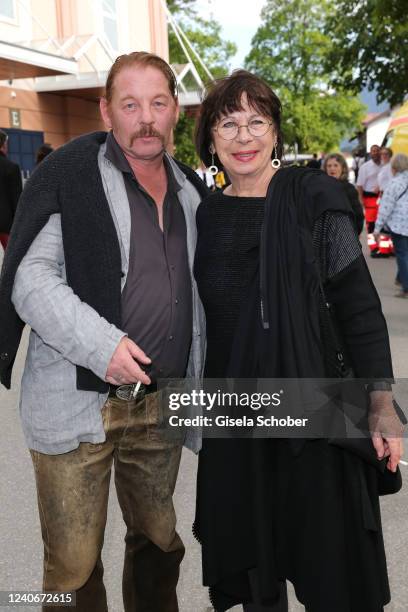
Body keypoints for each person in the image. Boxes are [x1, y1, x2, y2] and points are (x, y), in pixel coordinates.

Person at [0, 51, 208, 612]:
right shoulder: (67, 175)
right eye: (130, 104)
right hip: (77, 405)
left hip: (160, 404)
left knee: (159, 544)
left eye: (158, 103)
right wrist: (104, 346)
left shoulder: (191, 191)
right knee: (72, 565)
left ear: (174, 112)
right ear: (106, 111)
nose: (145, 118)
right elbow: (29, 277)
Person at [192, 70, 404, 612]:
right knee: (259, 577)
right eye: (229, 123)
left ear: (276, 133)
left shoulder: (314, 201)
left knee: (330, 574)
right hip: (238, 422)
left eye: (257, 121)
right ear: (211, 138)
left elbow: (359, 308)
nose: (244, 136)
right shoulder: (207, 214)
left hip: (317, 418)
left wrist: (380, 404)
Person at [374, 153, 408, 298]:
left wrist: (377, 228)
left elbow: (385, 207)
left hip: (399, 225)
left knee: (402, 254)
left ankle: (406, 288)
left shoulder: (393, 184)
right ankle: (401, 279)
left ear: (394, 168)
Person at [323, 153, 364, 234]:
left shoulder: (349, 189)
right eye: (329, 166)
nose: (332, 169)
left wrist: (355, 235)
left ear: (343, 168)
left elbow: (358, 215)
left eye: (336, 165)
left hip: (345, 235)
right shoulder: (321, 188)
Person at [0, 129, 23, 250]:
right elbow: (17, 199)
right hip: (6, 224)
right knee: (11, 260)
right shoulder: (12, 167)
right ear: (4, 144)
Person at [356, 144, 382, 234]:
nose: (375, 153)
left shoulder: (385, 165)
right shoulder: (365, 167)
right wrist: (360, 199)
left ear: (380, 152)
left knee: (382, 222)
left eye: (377, 150)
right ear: (370, 153)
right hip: (370, 198)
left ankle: (382, 244)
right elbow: (359, 185)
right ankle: (373, 245)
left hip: (383, 197)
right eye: (373, 151)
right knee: (371, 222)